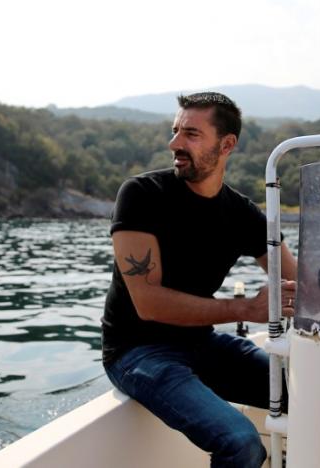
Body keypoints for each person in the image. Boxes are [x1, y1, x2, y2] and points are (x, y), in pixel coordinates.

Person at [102, 92, 297, 467]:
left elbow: (297, 279)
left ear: (226, 145)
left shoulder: (242, 214)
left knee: (309, 394)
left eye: (190, 134)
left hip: (200, 343)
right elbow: (149, 303)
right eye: (175, 131)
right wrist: (247, 308)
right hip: (136, 351)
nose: (174, 143)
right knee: (241, 442)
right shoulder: (142, 195)